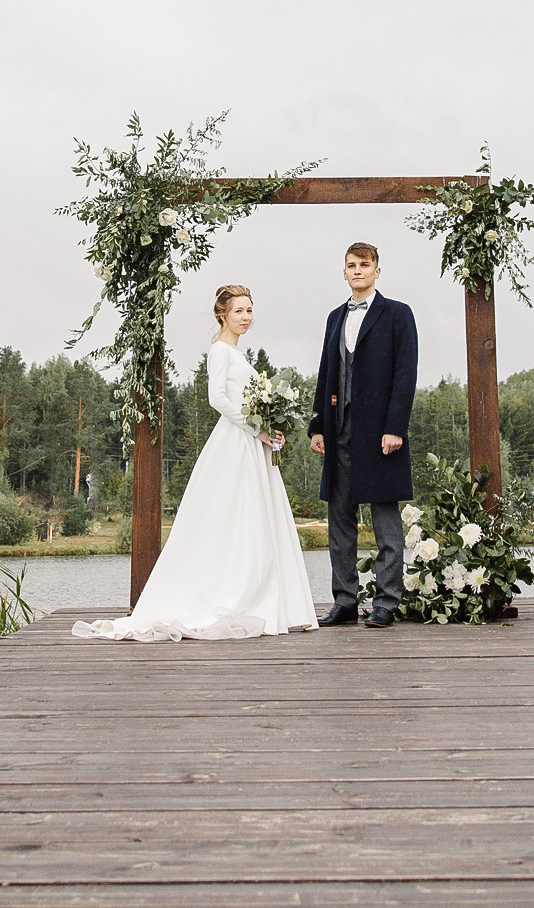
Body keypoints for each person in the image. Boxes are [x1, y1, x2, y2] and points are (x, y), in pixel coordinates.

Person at [75, 287, 318, 640]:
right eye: (239, 311)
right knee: (236, 515)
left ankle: (266, 600)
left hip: (252, 442)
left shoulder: (237, 352)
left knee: (255, 517)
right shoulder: (220, 351)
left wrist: (268, 427)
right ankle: (239, 596)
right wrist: (256, 429)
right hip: (236, 442)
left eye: (250, 310)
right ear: (223, 315)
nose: (246, 317)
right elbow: (216, 398)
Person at [308, 245, 418, 628]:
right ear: (344, 273)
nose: (358, 271)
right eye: (351, 266)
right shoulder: (335, 317)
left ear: (377, 270)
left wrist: (394, 428)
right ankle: (345, 601)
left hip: (379, 433)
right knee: (339, 521)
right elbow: (326, 372)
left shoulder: (398, 314)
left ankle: (387, 603)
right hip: (339, 429)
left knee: (386, 519)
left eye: (364, 265)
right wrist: (317, 425)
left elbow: (406, 374)